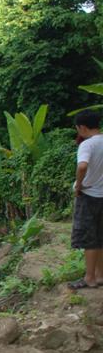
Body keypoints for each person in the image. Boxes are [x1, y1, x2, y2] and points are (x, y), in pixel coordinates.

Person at [70, 109, 103, 289]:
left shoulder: (87, 145)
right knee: (100, 236)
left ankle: (89, 277)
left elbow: (82, 166)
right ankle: (100, 275)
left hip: (89, 196)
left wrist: (79, 186)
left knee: (90, 239)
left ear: (82, 127)